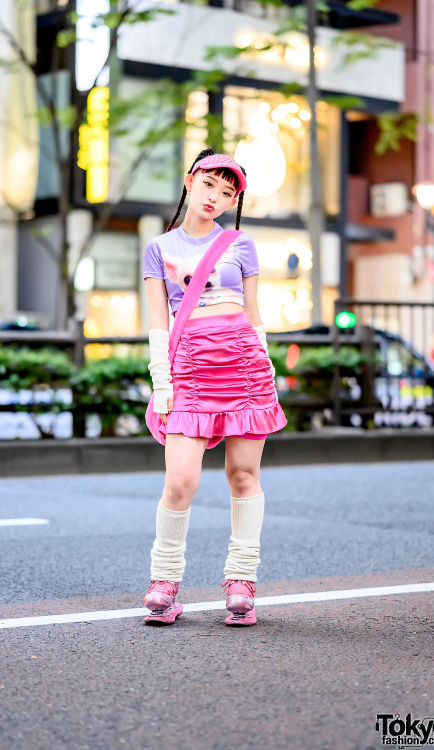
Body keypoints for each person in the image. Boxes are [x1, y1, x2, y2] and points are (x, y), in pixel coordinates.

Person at [142, 148, 287, 626]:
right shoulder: (159, 249)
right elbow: (158, 323)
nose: (216, 197)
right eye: (209, 185)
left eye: (227, 193)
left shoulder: (240, 245)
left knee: (243, 475)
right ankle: (164, 581)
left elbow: (253, 310)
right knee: (180, 480)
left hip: (243, 366)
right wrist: (161, 379)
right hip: (189, 370)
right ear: (190, 181)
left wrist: (265, 366)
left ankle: (241, 581)